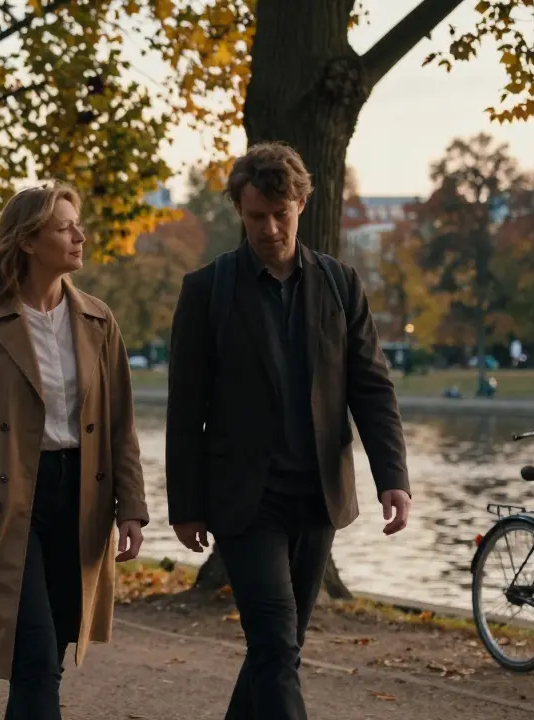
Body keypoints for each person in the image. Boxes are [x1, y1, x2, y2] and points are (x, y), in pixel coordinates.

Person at [165, 142, 411, 720]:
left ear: (301, 204)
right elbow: (185, 407)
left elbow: (371, 388)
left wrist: (392, 478)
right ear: (240, 212)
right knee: (276, 644)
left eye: (282, 214)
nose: (270, 228)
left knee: (279, 651)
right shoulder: (207, 290)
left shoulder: (341, 284)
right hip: (245, 502)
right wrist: (186, 504)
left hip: (318, 496)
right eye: (256, 217)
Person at [0, 182, 149, 720]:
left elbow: (121, 426)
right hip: (10, 506)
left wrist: (131, 508)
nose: (79, 236)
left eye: (77, 224)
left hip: (81, 501)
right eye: (64, 227)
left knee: (49, 657)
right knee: (35, 655)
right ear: (27, 241)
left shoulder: (98, 320)